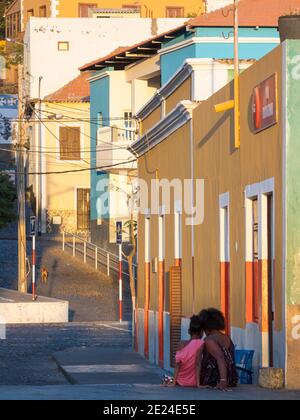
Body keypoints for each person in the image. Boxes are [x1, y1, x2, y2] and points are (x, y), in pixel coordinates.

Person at [197, 308, 238, 391]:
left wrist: (223, 381)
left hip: (214, 379)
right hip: (231, 378)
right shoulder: (226, 337)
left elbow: (221, 358)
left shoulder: (209, 340)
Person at [169, 315, 205, 388]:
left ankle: (172, 381)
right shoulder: (201, 344)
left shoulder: (181, 344)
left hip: (179, 381)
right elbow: (198, 364)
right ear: (202, 332)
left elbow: (177, 365)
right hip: (193, 382)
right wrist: (198, 385)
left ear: (189, 331)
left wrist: (173, 383)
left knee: (165, 378)